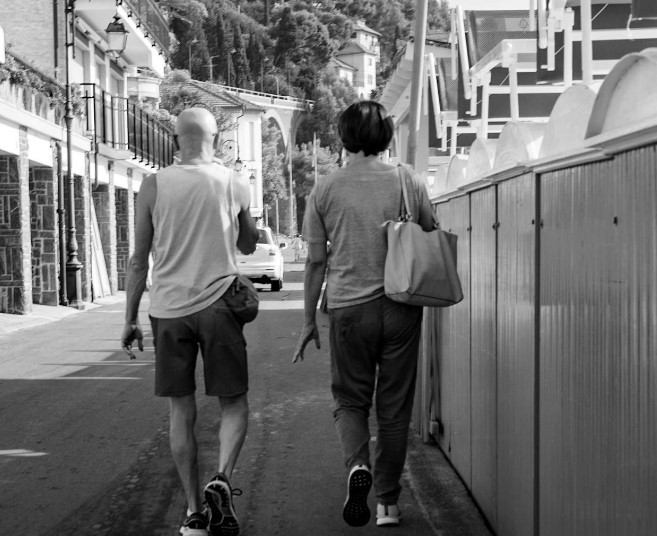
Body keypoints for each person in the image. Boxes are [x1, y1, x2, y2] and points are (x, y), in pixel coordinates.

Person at [292, 101, 437, 528]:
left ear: (344, 137)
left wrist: (308, 321)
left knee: (350, 401)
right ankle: (387, 504)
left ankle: (358, 466)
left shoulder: (325, 188)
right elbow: (430, 232)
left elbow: (315, 262)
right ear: (387, 135)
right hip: (401, 306)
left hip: (348, 309)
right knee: (394, 407)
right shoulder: (408, 180)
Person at [121, 107, 259, 536]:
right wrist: (240, 214)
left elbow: (138, 260)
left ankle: (195, 514)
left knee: (181, 410)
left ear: (176, 140)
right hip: (219, 306)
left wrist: (129, 318)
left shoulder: (153, 185)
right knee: (233, 403)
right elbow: (248, 244)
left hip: (168, 311)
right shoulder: (234, 181)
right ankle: (222, 478)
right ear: (215, 140)